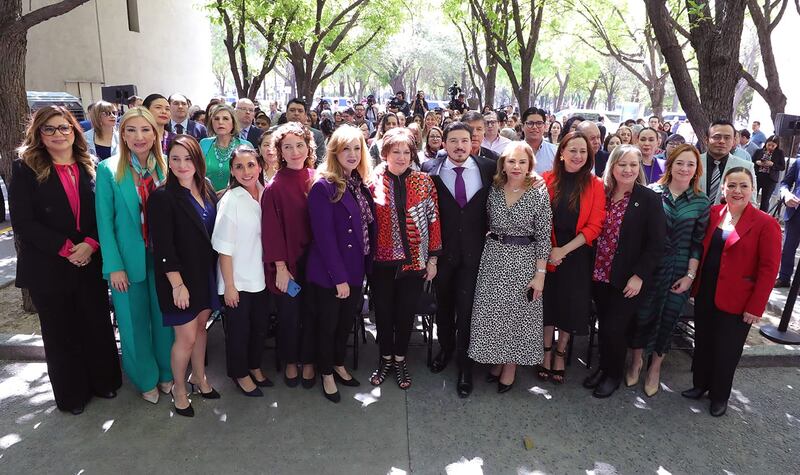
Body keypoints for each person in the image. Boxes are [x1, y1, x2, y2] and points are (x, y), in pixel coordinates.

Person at [10, 106, 121, 415]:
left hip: (90, 260)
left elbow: (105, 212)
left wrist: (90, 243)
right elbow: (23, 221)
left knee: (95, 324)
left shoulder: (92, 165)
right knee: (61, 333)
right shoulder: (25, 168)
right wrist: (66, 248)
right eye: (50, 129)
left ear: (75, 130)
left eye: (64, 128)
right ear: (38, 135)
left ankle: (103, 382)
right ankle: (73, 395)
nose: (58, 134)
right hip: (49, 265)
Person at [682, 167, 780, 416]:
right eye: (732, 185)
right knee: (703, 342)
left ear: (752, 190)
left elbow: (769, 270)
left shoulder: (765, 223)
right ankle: (700, 384)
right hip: (706, 291)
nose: (737, 191)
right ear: (723, 189)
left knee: (727, 350)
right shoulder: (714, 213)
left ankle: (719, 395)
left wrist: (756, 306)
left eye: (743, 186)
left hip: (739, 300)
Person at [95, 107, 174, 404]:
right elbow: (104, 222)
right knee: (133, 323)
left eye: (145, 130)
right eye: (131, 130)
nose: (139, 137)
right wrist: (114, 266)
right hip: (127, 263)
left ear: (155, 133)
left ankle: (167, 372)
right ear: (122, 134)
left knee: (165, 321)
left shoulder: (167, 166)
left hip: (163, 261)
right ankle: (145, 378)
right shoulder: (107, 170)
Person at [468, 141, 552, 393]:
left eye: (522, 162)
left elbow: (544, 235)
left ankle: (511, 366)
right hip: (493, 256)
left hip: (524, 260)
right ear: (503, 163)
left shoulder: (538, 191)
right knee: (494, 313)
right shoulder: (493, 188)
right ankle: (497, 358)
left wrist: (540, 275)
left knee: (518, 315)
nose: (516, 166)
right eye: (511, 161)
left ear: (530, 166)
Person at [626, 144, 710, 396]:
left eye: (691, 164)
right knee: (642, 317)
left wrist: (690, 277)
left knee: (668, 320)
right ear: (670, 164)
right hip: (650, 269)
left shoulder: (701, 202)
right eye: (680, 163)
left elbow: (698, 244)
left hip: (680, 271)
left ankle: (655, 368)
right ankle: (636, 361)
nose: (685, 168)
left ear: (697, 170)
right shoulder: (651, 193)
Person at [583, 145, 666, 398]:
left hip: (628, 279)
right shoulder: (602, 193)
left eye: (633, 165)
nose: (628, 169)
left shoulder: (648, 198)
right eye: (622, 164)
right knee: (604, 325)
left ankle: (613, 375)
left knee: (614, 328)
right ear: (612, 166)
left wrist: (639, 275)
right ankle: (604, 367)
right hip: (599, 273)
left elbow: (658, 243)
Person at [148, 135, 221, 416]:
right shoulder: (162, 197)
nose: (181, 164)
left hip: (204, 274)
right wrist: (177, 285)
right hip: (178, 280)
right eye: (175, 158)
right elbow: (163, 246)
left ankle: (199, 378)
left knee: (201, 329)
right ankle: (179, 388)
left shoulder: (207, 188)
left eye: (188, 158)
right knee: (186, 338)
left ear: (197, 160)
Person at [422, 122, 497, 397]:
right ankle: (446, 349)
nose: (459, 146)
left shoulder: (490, 168)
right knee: (444, 306)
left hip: (476, 254)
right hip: (442, 254)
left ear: (473, 141)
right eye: (453, 141)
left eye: (464, 140)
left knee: (467, 310)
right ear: (444, 143)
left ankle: (466, 364)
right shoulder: (429, 169)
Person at [306, 126, 375, 402]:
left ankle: (338, 363)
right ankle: (326, 372)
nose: (352, 154)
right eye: (346, 148)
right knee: (328, 325)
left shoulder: (359, 183)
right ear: (334, 151)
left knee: (345, 323)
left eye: (357, 148)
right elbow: (324, 238)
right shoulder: (323, 186)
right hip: (330, 273)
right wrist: (339, 278)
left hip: (356, 268)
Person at [370, 128, 442, 390]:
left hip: (415, 263)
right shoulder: (372, 180)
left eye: (406, 152)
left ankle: (400, 359)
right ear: (385, 153)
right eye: (395, 151)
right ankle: (385, 358)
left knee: (405, 314)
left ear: (413, 153)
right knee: (384, 314)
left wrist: (433, 259)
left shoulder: (424, 181)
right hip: (381, 264)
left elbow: (434, 222)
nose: (401, 157)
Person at [540, 132, 606, 384]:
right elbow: (537, 219)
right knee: (547, 304)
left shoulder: (595, 184)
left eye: (583, 151)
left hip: (577, 254)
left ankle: (560, 352)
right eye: (573, 150)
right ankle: (545, 351)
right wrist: (550, 250)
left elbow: (595, 225)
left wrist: (563, 251)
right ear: (562, 152)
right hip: (546, 252)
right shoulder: (545, 180)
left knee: (569, 306)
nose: (578, 155)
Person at [213, 146, 271, 397]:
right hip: (237, 279)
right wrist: (229, 286)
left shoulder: (265, 193)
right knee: (239, 332)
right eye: (239, 166)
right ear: (232, 171)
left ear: (259, 166)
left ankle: (255, 365)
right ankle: (240, 373)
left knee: (260, 327)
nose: (246, 171)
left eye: (250, 165)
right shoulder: (231, 200)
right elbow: (224, 249)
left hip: (261, 277)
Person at [261, 122, 316, 388]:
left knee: (311, 315)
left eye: (299, 145)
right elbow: (271, 231)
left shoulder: (318, 178)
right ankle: (291, 361)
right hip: (288, 266)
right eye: (288, 147)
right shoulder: (275, 187)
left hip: (315, 265)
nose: (295, 151)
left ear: (308, 147)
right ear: (279, 151)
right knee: (289, 316)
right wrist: (281, 268)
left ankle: (309, 360)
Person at [698, 120, 757, 204]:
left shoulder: (746, 167)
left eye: (727, 138)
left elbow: (751, 202)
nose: (722, 141)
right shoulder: (693, 163)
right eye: (717, 137)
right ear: (706, 140)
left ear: (734, 141)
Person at [200, 103, 253, 192]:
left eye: (225, 118)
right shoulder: (204, 144)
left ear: (233, 122)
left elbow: (251, 177)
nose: (220, 122)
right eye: (216, 119)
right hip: (207, 198)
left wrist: (227, 192)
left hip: (236, 199)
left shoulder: (245, 145)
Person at [776, 158, 800, 287]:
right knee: (788, 248)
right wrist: (786, 194)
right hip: (795, 211)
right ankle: (784, 277)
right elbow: (785, 183)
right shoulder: (798, 162)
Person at [284, 98, 326, 164]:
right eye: (292, 110)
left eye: (300, 111)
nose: (296, 113)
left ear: (306, 115)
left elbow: (320, 160)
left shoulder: (317, 135)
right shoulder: (275, 133)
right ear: (286, 114)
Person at [752, 135, 785, 212]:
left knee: (765, 200)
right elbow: (752, 161)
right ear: (766, 143)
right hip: (758, 176)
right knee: (753, 196)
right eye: (769, 145)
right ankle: (750, 213)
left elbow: (782, 167)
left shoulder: (779, 153)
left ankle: (762, 217)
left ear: (777, 146)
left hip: (770, 179)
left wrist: (772, 164)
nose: (770, 147)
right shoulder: (759, 151)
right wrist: (757, 162)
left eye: (773, 146)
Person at [521, 107, 557, 174]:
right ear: (522, 127)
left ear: (544, 126)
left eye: (539, 123)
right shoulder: (513, 151)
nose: (535, 127)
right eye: (530, 123)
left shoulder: (554, 151)